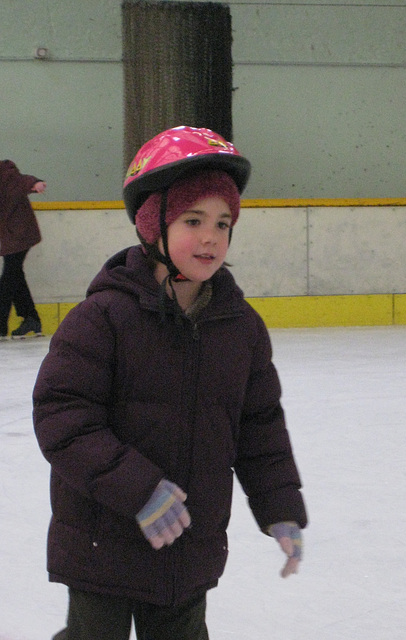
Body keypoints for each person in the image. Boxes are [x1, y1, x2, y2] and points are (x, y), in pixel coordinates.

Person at [33, 126, 308, 640]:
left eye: (224, 223)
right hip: (104, 539)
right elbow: (62, 418)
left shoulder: (239, 327)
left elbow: (259, 428)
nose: (211, 237)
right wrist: (138, 489)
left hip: (187, 544)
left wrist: (280, 507)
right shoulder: (103, 318)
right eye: (193, 220)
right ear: (151, 224)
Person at [0, 159, 45, 339]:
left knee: (9, 277)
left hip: (21, 233)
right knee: (15, 275)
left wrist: (35, 183)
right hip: (10, 236)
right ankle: (31, 318)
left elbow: (21, 180)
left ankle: (1, 325)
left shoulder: (4, 171)